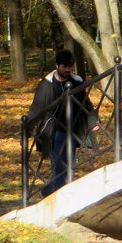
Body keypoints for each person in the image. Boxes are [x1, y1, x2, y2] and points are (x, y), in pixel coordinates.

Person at [27, 49, 97, 197]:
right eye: (65, 66)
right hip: (53, 131)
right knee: (59, 165)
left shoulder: (75, 82)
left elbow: (86, 104)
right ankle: (58, 196)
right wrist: (28, 129)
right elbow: (36, 108)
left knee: (68, 164)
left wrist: (93, 121)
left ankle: (47, 192)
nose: (68, 70)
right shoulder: (46, 85)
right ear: (57, 65)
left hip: (72, 129)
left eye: (70, 67)